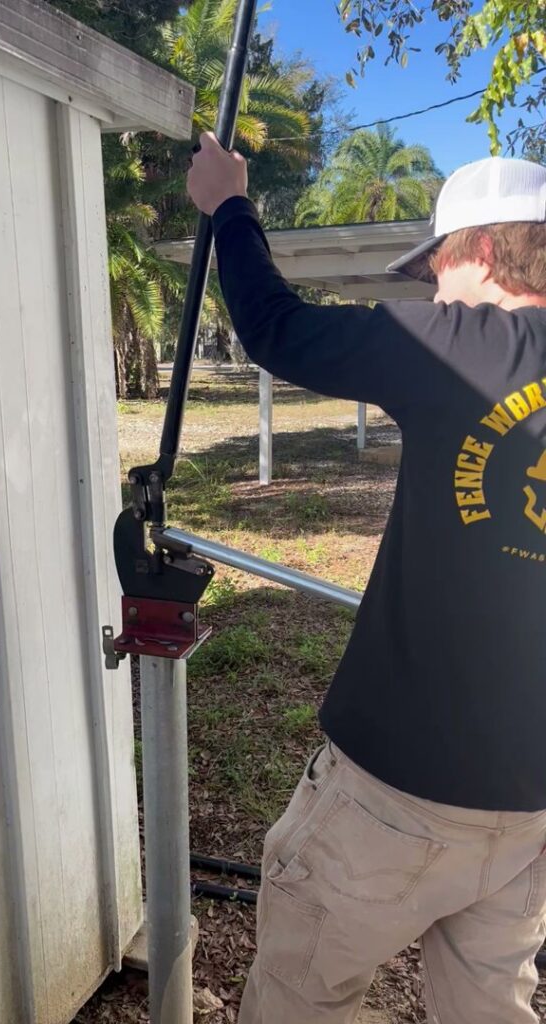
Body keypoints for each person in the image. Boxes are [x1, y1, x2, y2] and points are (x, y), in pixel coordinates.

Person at [187, 137, 546, 1024]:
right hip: (534, 803)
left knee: (302, 996)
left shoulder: (458, 344)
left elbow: (276, 327)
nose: (432, 289)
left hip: (399, 789)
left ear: (483, 250)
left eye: (436, 268)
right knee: (491, 1006)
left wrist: (229, 204)